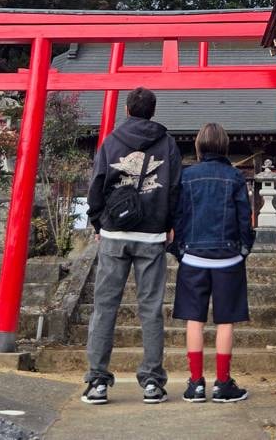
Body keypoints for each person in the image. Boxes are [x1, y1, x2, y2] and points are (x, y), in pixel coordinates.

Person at [83, 87, 182, 405]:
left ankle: (98, 381)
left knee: (105, 307)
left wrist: (99, 223)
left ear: (126, 110)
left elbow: (97, 183)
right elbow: (175, 189)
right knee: (151, 309)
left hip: (115, 234)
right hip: (151, 235)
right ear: (152, 112)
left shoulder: (111, 141)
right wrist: (170, 225)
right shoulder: (167, 144)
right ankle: (152, 382)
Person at [170, 122, 255, 403]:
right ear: (224, 146)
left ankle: (195, 383)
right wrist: (244, 250)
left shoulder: (186, 176)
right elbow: (245, 219)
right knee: (225, 321)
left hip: (193, 256)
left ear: (199, 146)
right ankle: (222, 383)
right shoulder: (235, 177)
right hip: (228, 258)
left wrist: (179, 249)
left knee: (194, 320)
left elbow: (178, 217)